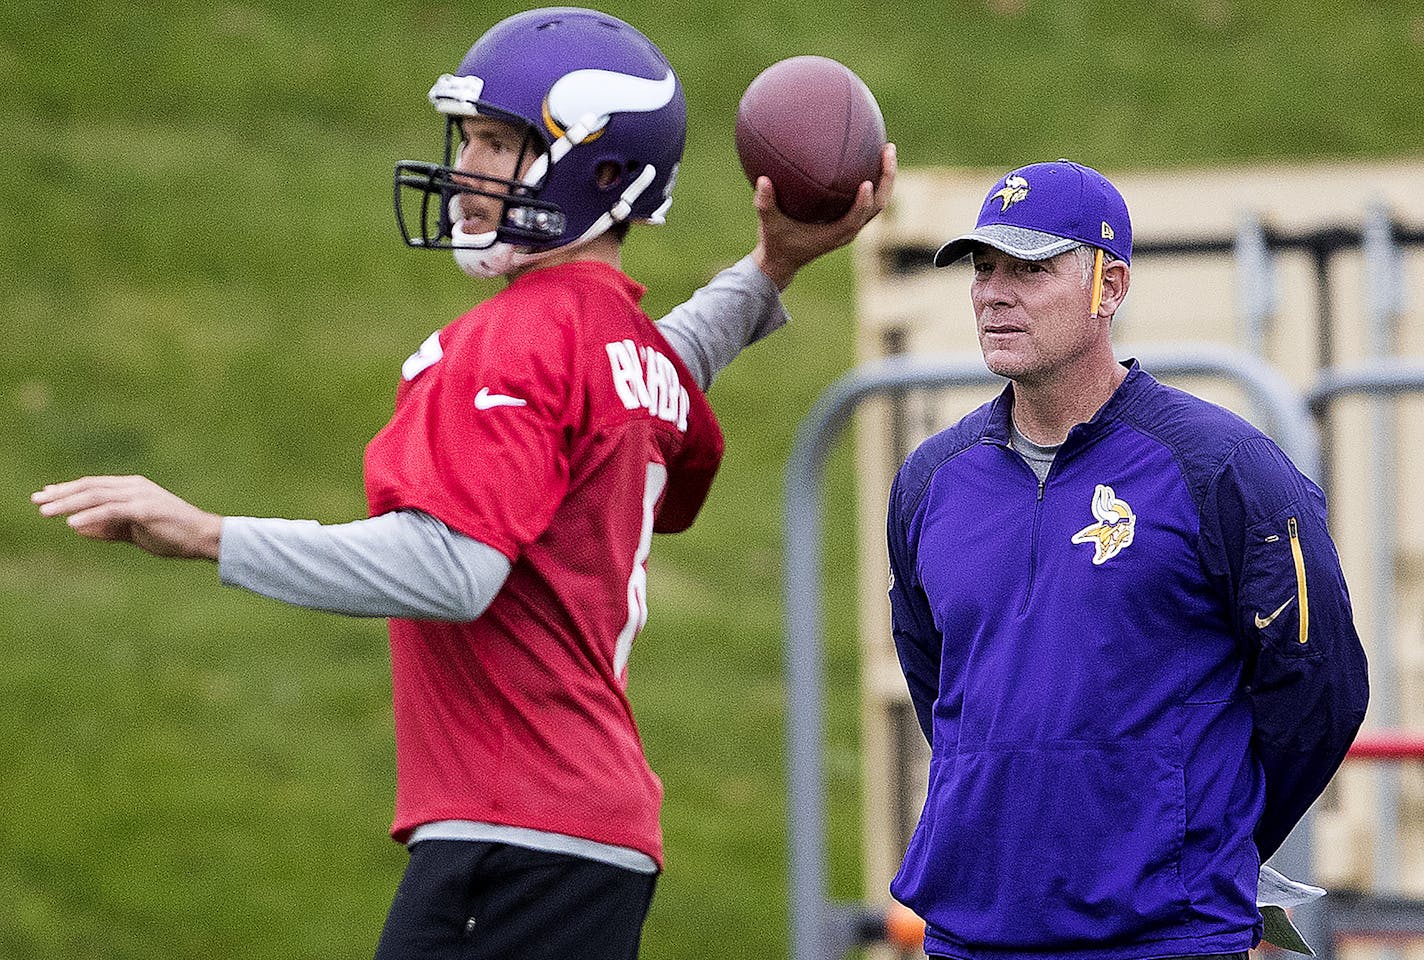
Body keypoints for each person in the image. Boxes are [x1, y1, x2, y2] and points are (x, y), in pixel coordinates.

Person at [32, 9, 894, 960]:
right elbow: (663, 366)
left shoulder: (519, 336)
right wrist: (775, 265)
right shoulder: (621, 349)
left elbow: (457, 569)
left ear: (598, 168)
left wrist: (208, 535)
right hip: (581, 831)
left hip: (511, 824)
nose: (467, 170)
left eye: (496, 143)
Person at [885, 159, 1367, 960]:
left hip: (1164, 935)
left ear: (1109, 287)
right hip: (973, 933)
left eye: (1029, 267)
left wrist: (1199, 832)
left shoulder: (1223, 468)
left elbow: (1320, 689)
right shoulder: (931, 480)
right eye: (983, 266)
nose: (994, 292)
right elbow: (941, 686)